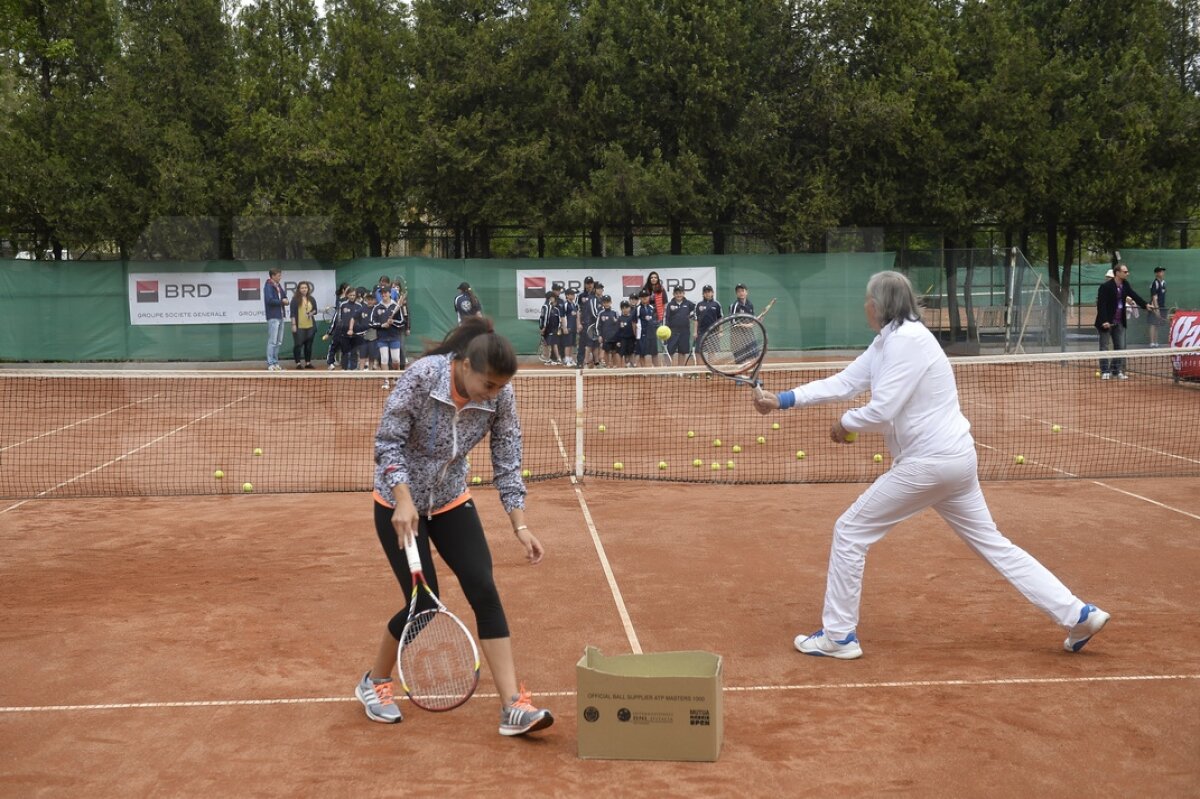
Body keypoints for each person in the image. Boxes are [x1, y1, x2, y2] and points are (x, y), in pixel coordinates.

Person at [752, 270, 1110, 660]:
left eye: (868, 299)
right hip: (953, 462)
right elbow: (847, 381)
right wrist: (784, 400)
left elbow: (884, 409)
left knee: (850, 531)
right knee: (995, 545)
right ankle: (1078, 613)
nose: (864, 306)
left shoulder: (908, 342)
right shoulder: (889, 340)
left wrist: (846, 423)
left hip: (929, 464)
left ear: (880, 304)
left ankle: (838, 636)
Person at [358, 315, 553, 736]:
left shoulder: (501, 395)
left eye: (501, 386)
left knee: (483, 586)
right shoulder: (422, 377)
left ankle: (512, 707)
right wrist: (403, 500)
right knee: (423, 605)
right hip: (397, 501)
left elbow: (507, 456)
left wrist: (520, 525)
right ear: (464, 365)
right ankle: (374, 683)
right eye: (489, 385)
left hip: (449, 499)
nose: (495, 393)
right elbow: (387, 441)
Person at [1095, 263, 1150, 380]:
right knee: (1104, 347)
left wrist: (1145, 305)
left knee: (1120, 347)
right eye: (1125, 272)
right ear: (1118, 273)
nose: (1127, 274)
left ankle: (1115, 370)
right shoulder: (1105, 287)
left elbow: (1134, 295)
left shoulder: (1125, 285)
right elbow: (1101, 305)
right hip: (1106, 323)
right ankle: (1105, 371)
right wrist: (1104, 320)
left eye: (1127, 271)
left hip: (1119, 322)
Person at [372, 288, 405, 389]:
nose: (383, 295)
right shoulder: (377, 307)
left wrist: (393, 322)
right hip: (382, 338)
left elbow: (402, 322)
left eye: (385, 293)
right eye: (382, 293)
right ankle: (386, 381)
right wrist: (382, 325)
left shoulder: (396, 306)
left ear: (390, 294)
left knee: (396, 359)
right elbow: (372, 323)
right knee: (384, 359)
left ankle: (396, 378)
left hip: (394, 337)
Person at [290, 281, 318, 369]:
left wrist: (311, 313)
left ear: (308, 289)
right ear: (299, 289)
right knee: (298, 345)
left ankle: (308, 363)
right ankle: (298, 363)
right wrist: (294, 325)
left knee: (308, 346)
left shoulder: (311, 299)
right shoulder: (295, 299)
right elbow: (293, 313)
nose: (304, 289)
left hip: (310, 326)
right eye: (302, 288)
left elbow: (315, 310)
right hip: (299, 327)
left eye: (305, 288)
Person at [264, 268, 288, 371]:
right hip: (273, 316)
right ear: (273, 276)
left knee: (278, 342)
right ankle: (270, 363)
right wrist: (282, 301)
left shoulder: (278, 286)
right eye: (278, 275)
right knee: (272, 341)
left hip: (281, 316)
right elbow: (269, 300)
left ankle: (275, 362)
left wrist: (286, 300)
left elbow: (284, 297)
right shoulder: (268, 286)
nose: (280, 277)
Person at [663, 286, 695, 362]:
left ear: (684, 293)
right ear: (673, 294)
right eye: (676, 293)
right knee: (669, 351)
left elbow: (696, 309)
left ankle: (680, 372)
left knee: (682, 352)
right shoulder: (670, 304)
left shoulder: (688, 303)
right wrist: (665, 329)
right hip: (672, 331)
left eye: (680, 293)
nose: (678, 295)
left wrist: (691, 314)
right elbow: (666, 318)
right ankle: (669, 371)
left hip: (685, 331)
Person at [635, 289, 658, 367]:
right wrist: (636, 334)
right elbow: (633, 322)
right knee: (642, 353)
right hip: (642, 334)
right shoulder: (637, 308)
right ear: (640, 298)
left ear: (649, 297)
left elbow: (655, 320)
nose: (644, 298)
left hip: (651, 334)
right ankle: (644, 370)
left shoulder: (652, 308)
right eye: (642, 297)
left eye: (646, 296)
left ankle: (657, 370)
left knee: (654, 353)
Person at [596, 295, 620, 368]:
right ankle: (607, 366)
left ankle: (615, 366)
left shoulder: (615, 312)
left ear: (611, 302)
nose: (606, 304)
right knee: (606, 352)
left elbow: (619, 324)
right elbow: (598, 326)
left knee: (614, 352)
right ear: (603, 303)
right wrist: (599, 335)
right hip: (605, 337)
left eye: (608, 302)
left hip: (615, 337)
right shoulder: (601, 313)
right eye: (605, 302)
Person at [1148, 267, 1167, 347]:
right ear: (1156, 274)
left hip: (1161, 306)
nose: (1162, 273)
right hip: (1154, 307)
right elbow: (1154, 297)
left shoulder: (1164, 283)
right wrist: (1156, 309)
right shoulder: (1154, 283)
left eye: (1163, 271)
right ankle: (1152, 342)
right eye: (1160, 272)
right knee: (1153, 324)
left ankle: (1156, 342)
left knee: (1157, 324)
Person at [561, 287, 579, 367]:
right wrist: (564, 327)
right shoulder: (565, 305)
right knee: (567, 344)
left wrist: (577, 326)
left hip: (574, 327)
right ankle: (566, 360)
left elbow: (577, 316)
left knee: (572, 344)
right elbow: (562, 316)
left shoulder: (574, 304)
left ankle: (571, 359)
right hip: (568, 327)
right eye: (571, 294)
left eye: (574, 294)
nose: (573, 296)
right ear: (567, 296)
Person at [616, 299, 636, 367]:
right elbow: (617, 330)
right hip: (623, 339)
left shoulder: (632, 317)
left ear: (629, 308)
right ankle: (622, 367)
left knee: (631, 353)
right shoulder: (619, 319)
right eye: (623, 308)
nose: (625, 309)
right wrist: (618, 341)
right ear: (621, 309)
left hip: (631, 339)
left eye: (626, 307)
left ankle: (632, 366)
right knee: (621, 354)